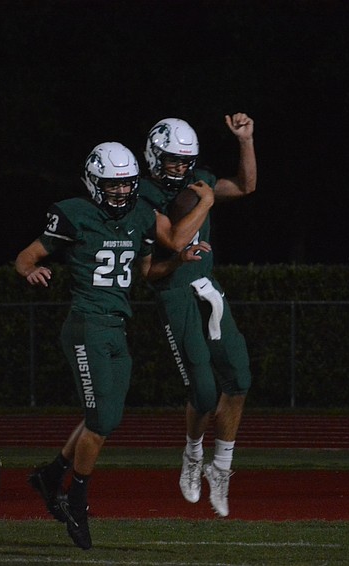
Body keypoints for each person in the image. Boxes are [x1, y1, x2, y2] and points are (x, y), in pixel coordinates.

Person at [16, 141, 211, 549]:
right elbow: (26, 256)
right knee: (101, 420)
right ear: (93, 182)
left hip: (118, 325)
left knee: (106, 418)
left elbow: (148, 270)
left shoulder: (141, 214)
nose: (122, 192)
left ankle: (52, 476)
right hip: (87, 325)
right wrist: (32, 270)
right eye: (113, 185)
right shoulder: (74, 214)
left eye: (126, 184)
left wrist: (180, 260)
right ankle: (75, 498)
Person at [138, 114, 256, 517]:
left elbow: (245, 186)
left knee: (239, 378)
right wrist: (206, 200)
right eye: (173, 159)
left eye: (185, 160)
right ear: (155, 155)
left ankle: (220, 468)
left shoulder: (197, 176)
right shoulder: (143, 194)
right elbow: (173, 240)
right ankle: (192, 456)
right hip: (174, 293)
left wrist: (245, 140)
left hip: (206, 286)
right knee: (204, 394)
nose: (181, 167)